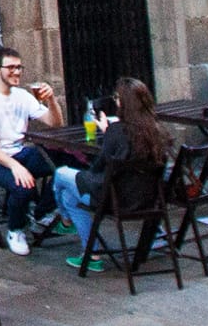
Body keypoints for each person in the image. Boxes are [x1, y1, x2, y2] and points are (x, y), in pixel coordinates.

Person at [50, 78, 171, 271]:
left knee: (60, 174)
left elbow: (98, 167)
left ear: (123, 102)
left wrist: (108, 134)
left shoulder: (117, 131)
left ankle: (65, 222)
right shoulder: (158, 131)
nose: (116, 101)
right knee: (68, 196)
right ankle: (91, 254)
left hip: (115, 199)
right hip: (149, 200)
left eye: (117, 97)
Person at [0, 47, 62, 255]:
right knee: (23, 185)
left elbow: (55, 124)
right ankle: (15, 229)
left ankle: (42, 213)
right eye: (10, 67)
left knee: (65, 161)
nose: (17, 72)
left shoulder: (22, 96)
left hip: (19, 152)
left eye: (19, 67)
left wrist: (52, 100)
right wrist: (15, 167)